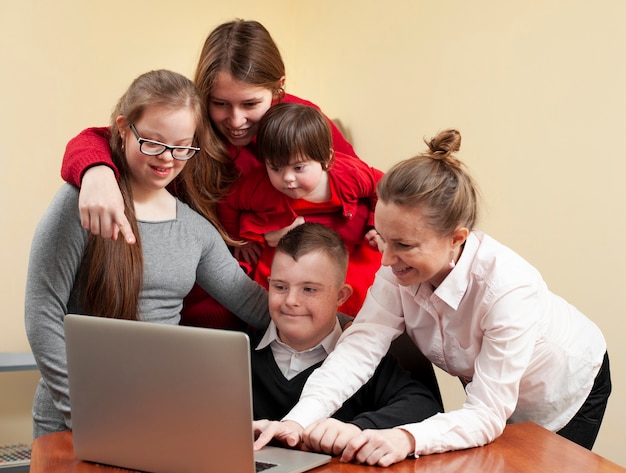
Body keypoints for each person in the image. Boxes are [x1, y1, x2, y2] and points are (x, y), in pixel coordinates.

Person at [253, 129, 611, 466]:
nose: (387, 259)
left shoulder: (508, 290)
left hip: (568, 388)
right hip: (496, 393)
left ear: (456, 237)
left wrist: (405, 438)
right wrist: (298, 422)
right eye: (385, 239)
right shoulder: (398, 271)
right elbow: (358, 349)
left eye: (404, 245)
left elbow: (486, 414)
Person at [59, 19, 363, 329]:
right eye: (220, 104)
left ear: (278, 89)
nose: (236, 120)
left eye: (250, 103)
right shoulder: (188, 124)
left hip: (279, 292)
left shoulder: (302, 122)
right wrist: (96, 173)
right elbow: (99, 139)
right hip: (209, 301)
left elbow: (360, 183)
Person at [25, 69, 270, 438]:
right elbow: (42, 315)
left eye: (181, 146)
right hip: (72, 420)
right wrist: (84, 413)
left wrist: (352, 327)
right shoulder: (84, 202)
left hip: (156, 416)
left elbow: (252, 303)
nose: (167, 160)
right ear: (123, 129)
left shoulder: (195, 230)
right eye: (153, 143)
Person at [249, 222, 442, 454]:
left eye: (309, 289)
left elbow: (424, 405)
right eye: (280, 287)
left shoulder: (366, 359)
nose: (291, 300)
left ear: (341, 296)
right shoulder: (239, 352)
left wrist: (357, 430)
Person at [219, 103, 383, 316]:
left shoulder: (347, 175)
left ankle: (351, 327)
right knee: (273, 286)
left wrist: (374, 225)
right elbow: (228, 204)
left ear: (327, 160)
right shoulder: (260, 186)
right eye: (275, 168)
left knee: (360, 286)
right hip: (288, 248)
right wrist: (239, 240)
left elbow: (383, 188)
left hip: (345, 248)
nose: (287, 178)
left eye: (298, 168)